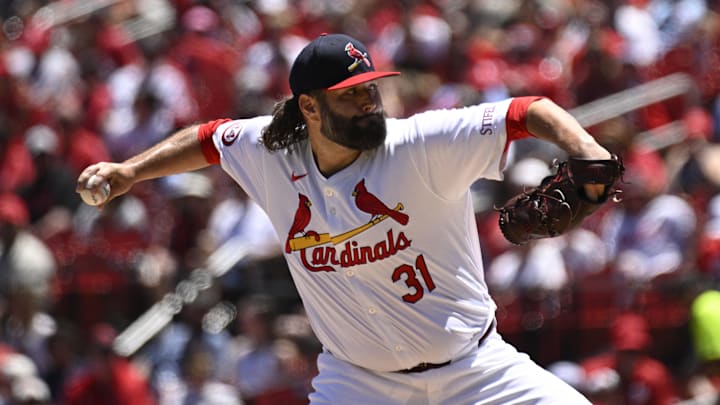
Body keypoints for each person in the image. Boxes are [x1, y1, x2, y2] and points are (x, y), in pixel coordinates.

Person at [77, 33, 614, 404]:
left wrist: (585, 147)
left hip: (476, 372)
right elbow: (208, 139)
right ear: (309, 108)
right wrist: (128, 171)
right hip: (360, 385)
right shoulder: (270, 152)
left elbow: (527, 111)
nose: (368, 103)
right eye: (350, 95)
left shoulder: (418, 144)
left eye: (370, 89)